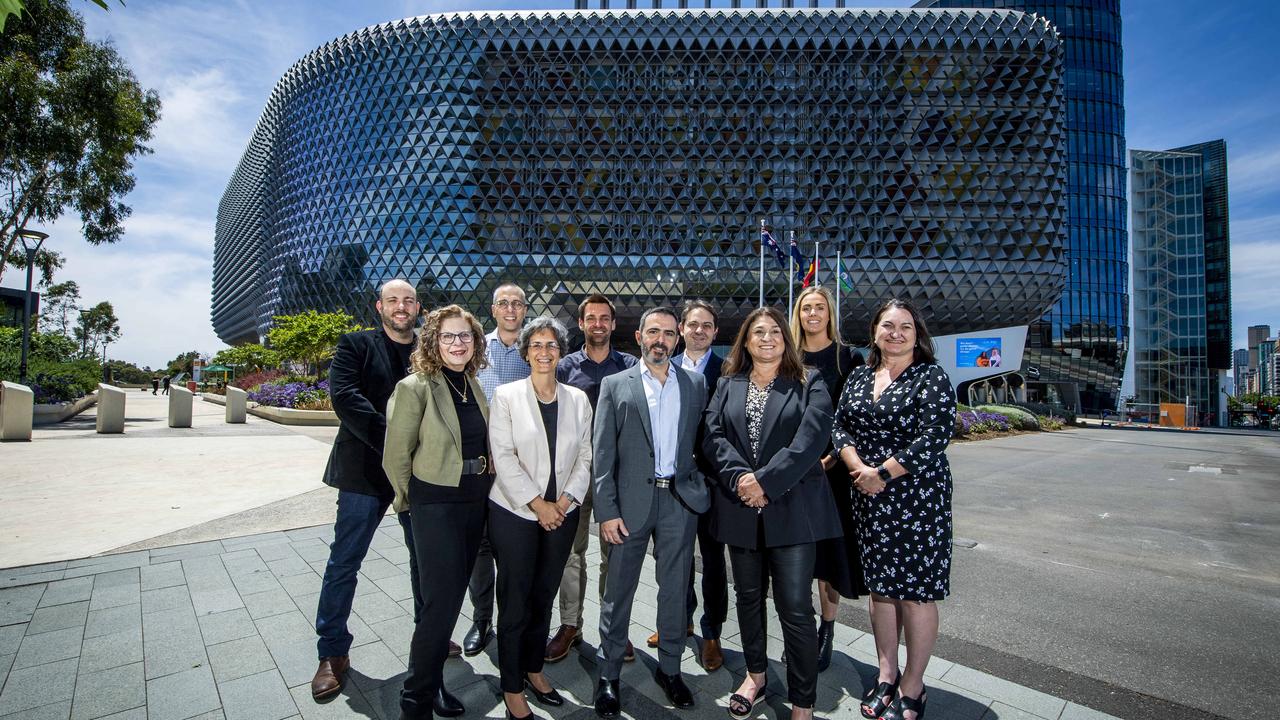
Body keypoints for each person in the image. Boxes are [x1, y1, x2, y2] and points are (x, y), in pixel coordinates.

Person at [702, 306, 843, 720]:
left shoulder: (809, 381)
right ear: (745, 340)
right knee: (747, 598)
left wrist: (764, 481)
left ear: (786, 339)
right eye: (757, 332)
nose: (766, 338)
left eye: (775, 332)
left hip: (793, 511)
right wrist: (742, 480)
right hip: (740, 509)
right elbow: (711, 435)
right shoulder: (727, 384)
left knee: (795, 607)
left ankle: (803, 702)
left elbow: (812, 438)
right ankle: (756, 674)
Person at [831, 299, 955, 720]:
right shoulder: (861, 375)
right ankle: (886, 674)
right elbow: (840, 425)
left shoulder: (931, 376)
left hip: (917, 500)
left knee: (915, 594)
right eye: (888, 326)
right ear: (875, 332)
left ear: (917, 334)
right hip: (868, 499)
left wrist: (881, 472)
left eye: (905, 326)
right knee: (882, 590)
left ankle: (913, 685)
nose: (896, 333)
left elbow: (934, 436)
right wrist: (857, 468)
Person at [311, 279, 429, 701]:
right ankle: (332, 653)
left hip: (418, 475)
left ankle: (429, 637)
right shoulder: (355, 345)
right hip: (364, 471)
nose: (401, 307)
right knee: (345, 560)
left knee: (426, 562)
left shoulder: (427, 352)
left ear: (418, 306)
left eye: (408, 301)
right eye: (393, 300)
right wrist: (398, 438)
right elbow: (345, 397)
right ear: (379, 306)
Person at [592, 307, 708, 718]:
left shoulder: (695, 384)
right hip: (627, 507)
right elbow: (602, 454)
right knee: (617, 592)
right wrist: (605, 511)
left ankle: (671, 669)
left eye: (669, 334)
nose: (661, 340)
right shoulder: (614, 384)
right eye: (653, 332)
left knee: (675, 590)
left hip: (678, 502)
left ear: (677, 340)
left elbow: (702, 443)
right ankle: (608, 675)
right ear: (639, 336)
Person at [383, 304, 491, 720]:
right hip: (436, 504)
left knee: (447, 600)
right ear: (433, 341)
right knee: (440, 604)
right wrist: (414, 505)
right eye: (448, 336)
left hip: (474, 500)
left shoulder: (472, 385)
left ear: (475, 342)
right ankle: (416, 699)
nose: (457, 343)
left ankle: (433, 684)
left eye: (464, 336)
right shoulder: (416, 387)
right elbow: (396, 456)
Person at [487, 316, 592, 720]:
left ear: (560, 353)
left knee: (544, 596)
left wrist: (564, 500)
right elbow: (505, 456)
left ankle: (534, 669)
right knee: (515, 602)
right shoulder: (506, 396)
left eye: (551, 345)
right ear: (526, 351)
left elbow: (586, 454)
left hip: (562, 513)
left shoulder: (577, 400)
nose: (544, 352)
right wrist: (538, 504)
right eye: (537, 345)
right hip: (515, 513)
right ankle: (512, 685)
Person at [546, 294, 638, 663]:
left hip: (618, 477)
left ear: (614, 325)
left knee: (615, 554)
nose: (598, 324)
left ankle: (613, 627)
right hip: (575, 474)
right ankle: (570, 625)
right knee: (571, 553)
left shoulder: (631, 366)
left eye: (605, 318)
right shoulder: (564, 367)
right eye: (591, 318)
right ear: (581, 324)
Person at [646, 299, 727, 672]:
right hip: (672, 484)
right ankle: (679, 620)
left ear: (714, 331)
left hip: (711, 483)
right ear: (681, 329)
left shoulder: (727, 369)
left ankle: (711, 632)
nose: (699, 331)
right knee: (673, 558)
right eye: (693, 324)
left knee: (711, 561)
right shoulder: (664, 366)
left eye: (706, 325)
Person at [790, 285, 866, 671]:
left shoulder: (846, 358)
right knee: (794, 555)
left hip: (831, 474)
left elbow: (851, 416)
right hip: (792, 473)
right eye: (807, 308)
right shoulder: (789, 356)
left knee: (827, 561)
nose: (813, 314)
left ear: (829, 314)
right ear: (799, 314)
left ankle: (827, 630)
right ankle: (799, 628)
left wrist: (833, 457)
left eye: (820, 307)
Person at [466, 282, 532, 657]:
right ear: (493, 310)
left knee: (517, 551)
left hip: (524, 467)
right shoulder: (475, 349)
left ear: (525, 309)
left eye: (517, 304)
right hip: (481, 467)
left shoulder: (534, 350)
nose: (510, 309)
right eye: (503, 303)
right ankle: (481, 620)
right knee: (480, 549)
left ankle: (516, 621)